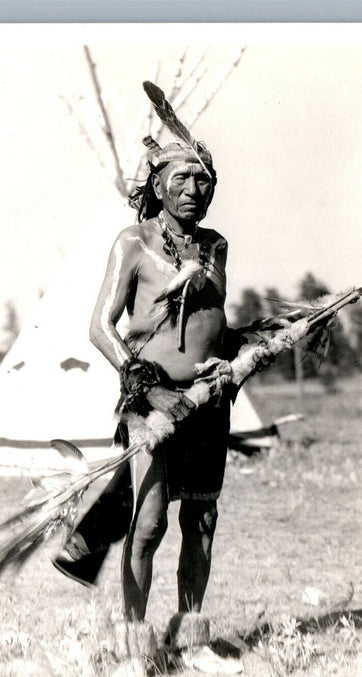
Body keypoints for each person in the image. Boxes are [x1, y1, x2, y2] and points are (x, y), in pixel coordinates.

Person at [53, 133, 237, 622]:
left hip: (208, 401)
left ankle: (190, 633)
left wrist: (258, 345)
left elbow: (211, 320)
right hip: (152, 402)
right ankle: (135, 642)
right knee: (149, 521)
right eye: (181, 178)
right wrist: (147, 387)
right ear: (158, 186)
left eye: (203, 180)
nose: (193, 189)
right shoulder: (132, 243)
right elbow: (100, 326)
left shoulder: (215, 245)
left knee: (201, 519)